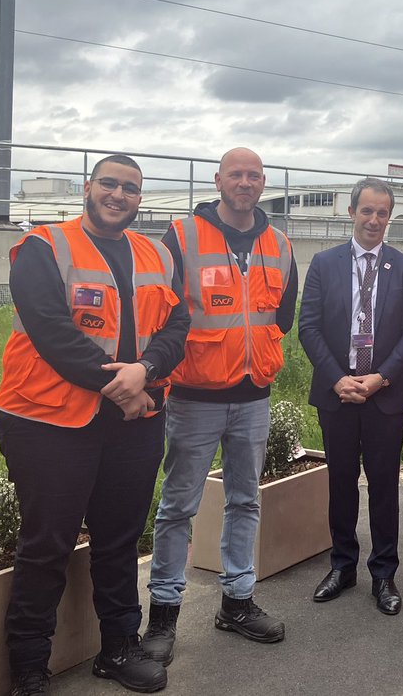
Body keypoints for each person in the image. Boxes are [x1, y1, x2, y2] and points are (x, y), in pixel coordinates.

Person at [0, 154, 189, 696]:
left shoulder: (157, 253)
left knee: (120, 538)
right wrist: (124, 390)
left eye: (130, 188)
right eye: (109, 184)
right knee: (46, 544)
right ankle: (29, 668)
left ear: (139, 198)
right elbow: (50, 330)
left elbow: (179, 323)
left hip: (135, 417)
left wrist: (146, 373)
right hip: (47, 420)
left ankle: (119, 649)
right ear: (88, 187)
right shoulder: (44, 247)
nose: (118, 195)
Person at [143, 147, 297, 663]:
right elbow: (161, 315)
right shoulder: (182, 236)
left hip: (253, 397)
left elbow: (283, 316)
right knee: (178, 508)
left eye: (254, 175)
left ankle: (237, 601)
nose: (245, 182)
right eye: (237, 174)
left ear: (263, 183)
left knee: (246, 501)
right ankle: (163, 615)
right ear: (219, 180)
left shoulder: (279, 243)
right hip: (194, 398)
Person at [298, 178, 403, 615]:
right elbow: (308, 327)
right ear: (351, 212)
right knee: (341, 483)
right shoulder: (323, 263)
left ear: (389, 217)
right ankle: (343, 565)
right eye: (367, 211)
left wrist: (380, 378)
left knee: (385, 487)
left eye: (382, 213)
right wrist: (337, 378)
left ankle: (384, 573)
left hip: (383, 395)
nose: (374, 220)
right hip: (337, 393)